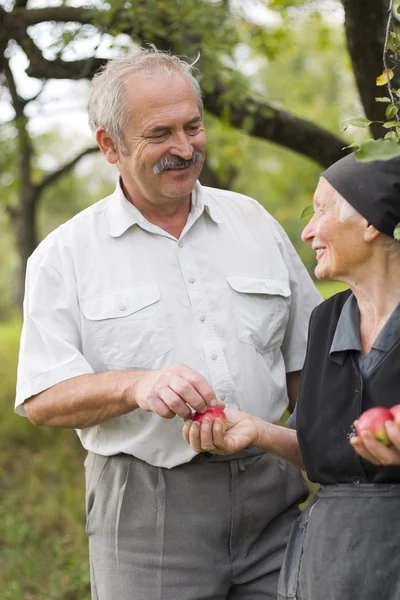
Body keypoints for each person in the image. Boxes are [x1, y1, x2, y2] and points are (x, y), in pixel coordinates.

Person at [15, 47, 321, 600]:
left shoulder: (254, 222)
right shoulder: (65, 255)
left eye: (193, 126)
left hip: (275, 495)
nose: (184, 148)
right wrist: (137, 384)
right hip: (145, 509)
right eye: (160, 134)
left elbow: (306, 366)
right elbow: (42, 397)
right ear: (109, 144)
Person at [184, 151, 400, 600]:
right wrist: (258, 431)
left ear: (371, 224)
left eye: (322, 210)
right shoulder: (325, 321)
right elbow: (320, 450)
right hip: (329, 562)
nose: (307, 231)